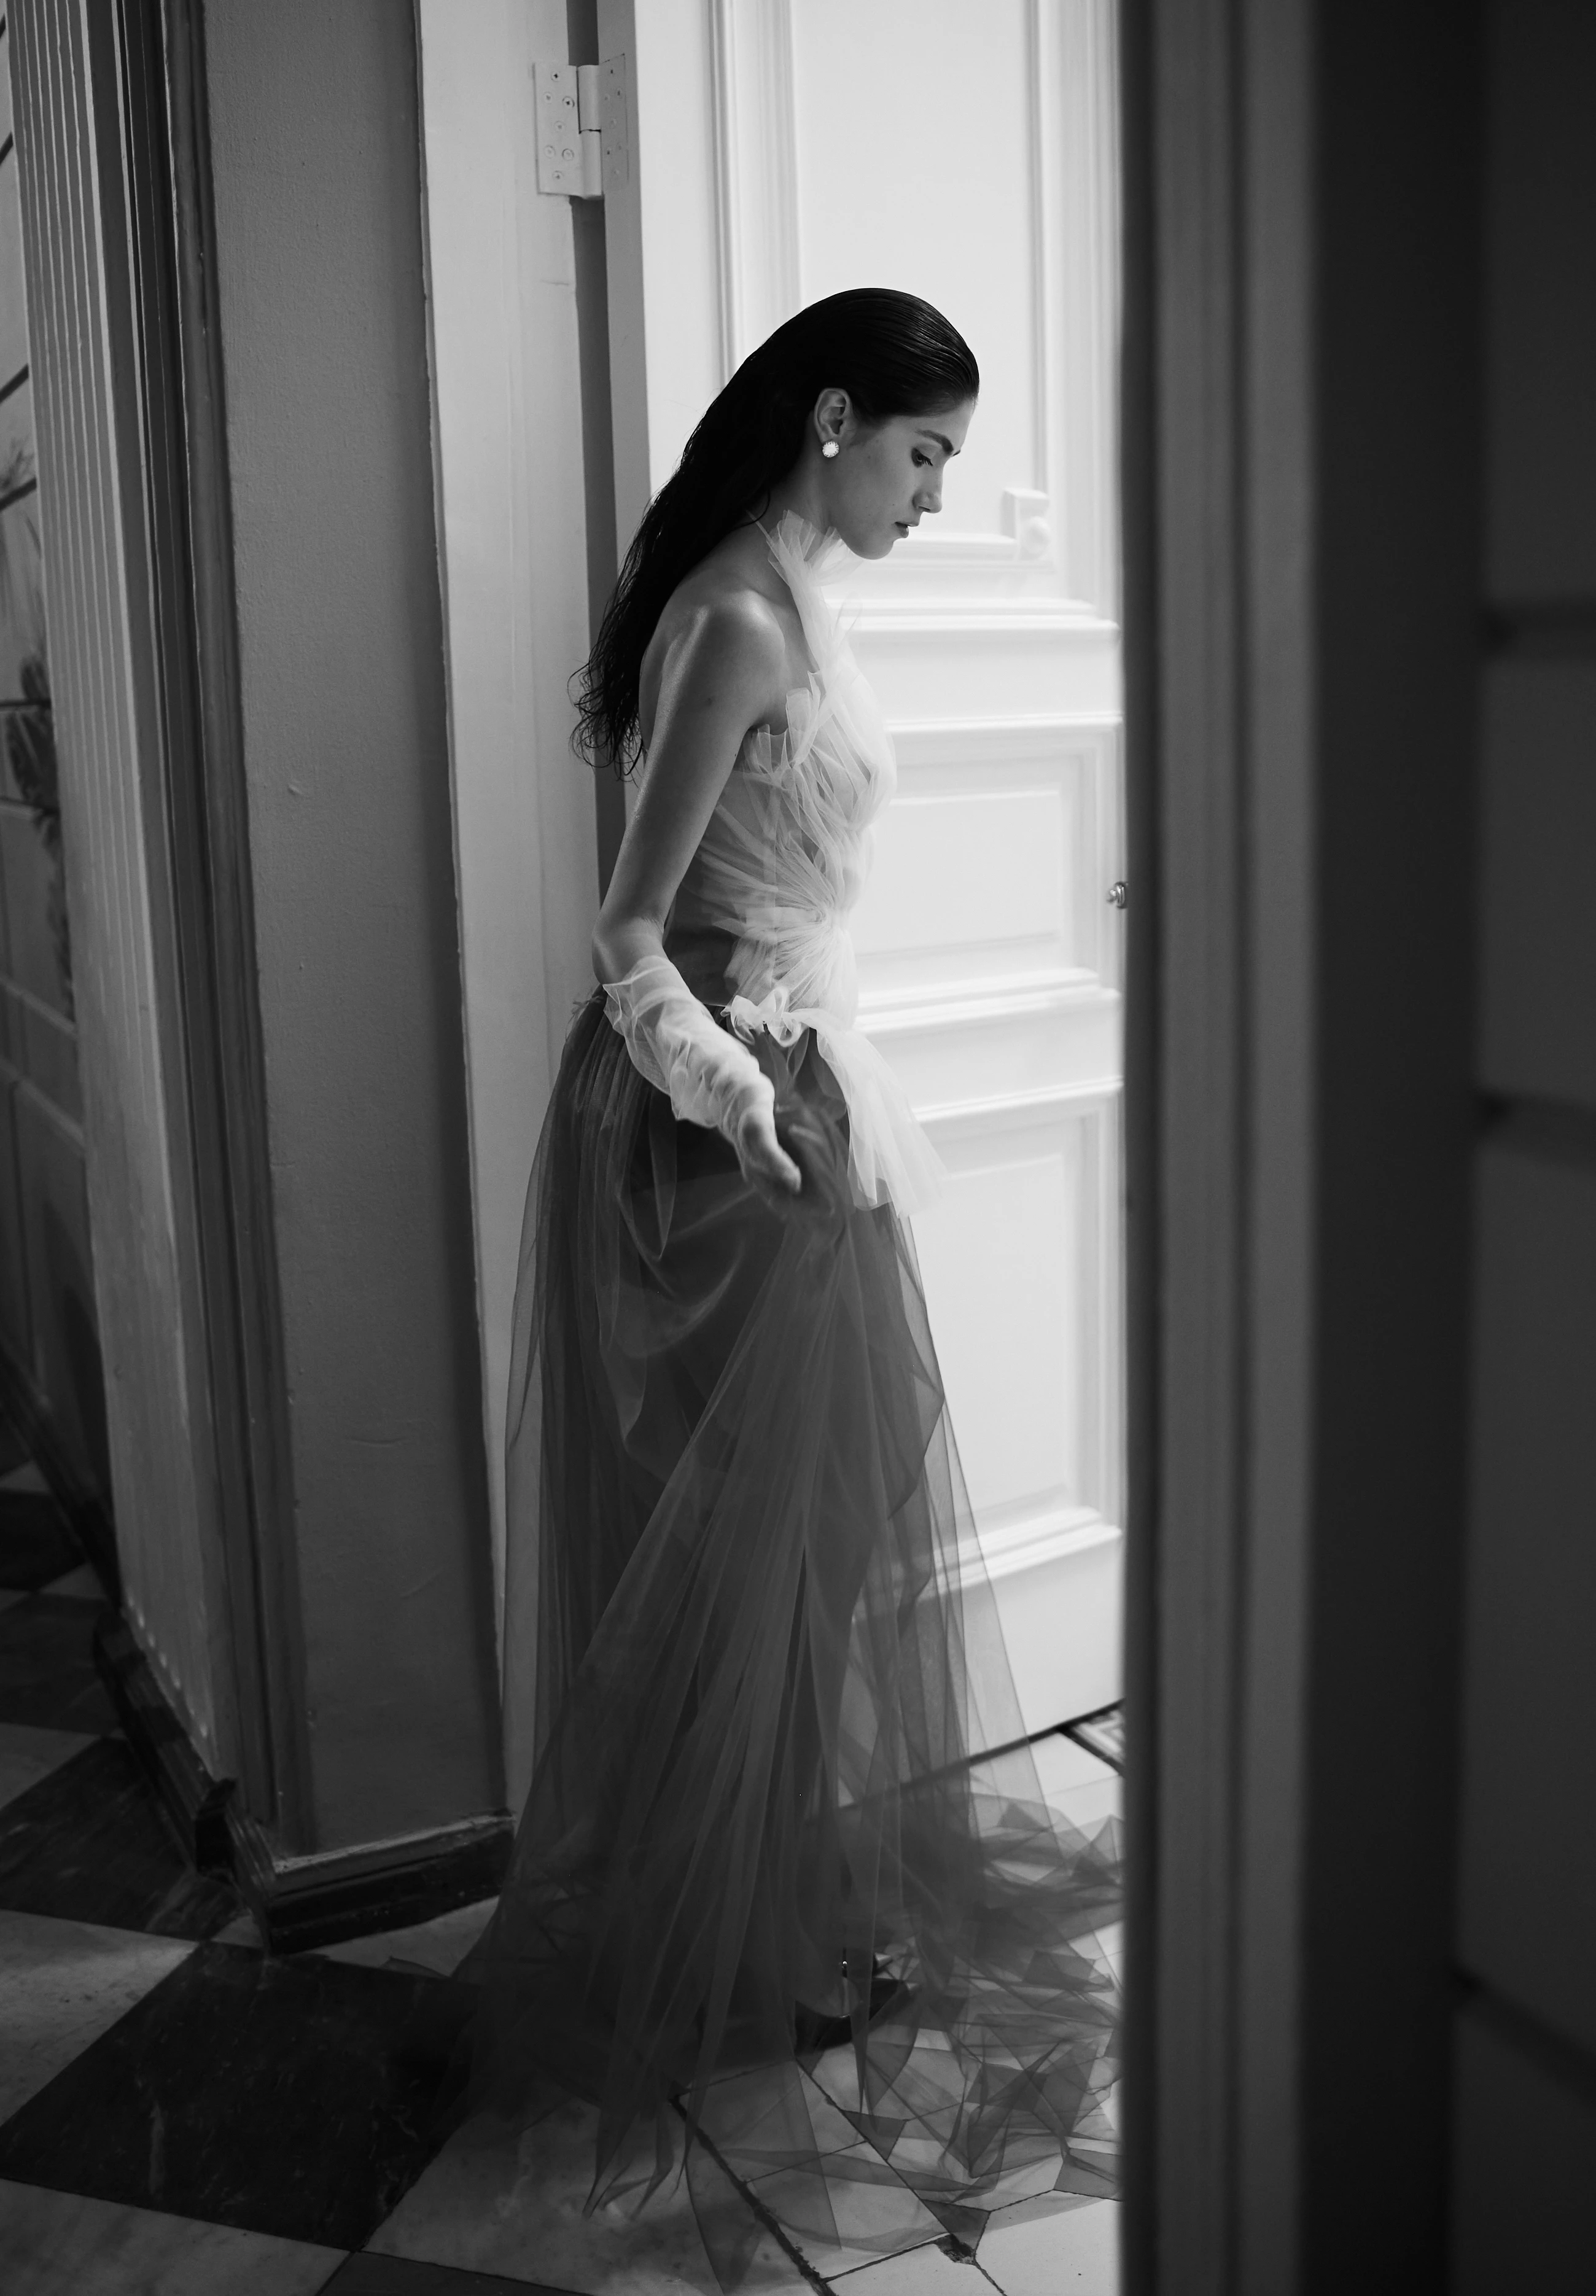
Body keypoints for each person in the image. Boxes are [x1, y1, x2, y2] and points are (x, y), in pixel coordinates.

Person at [455, 289, 1121, 2288]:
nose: (934, 496)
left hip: (799, 1087)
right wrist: (742, 1102)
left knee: (798, 1543)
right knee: (745, 1549)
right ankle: (712, 1950)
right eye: (922, 455)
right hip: (723, 1122)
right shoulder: (739, 617)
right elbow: (628, 935)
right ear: (833, 421)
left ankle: (750, 1919)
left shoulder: (792, 595)